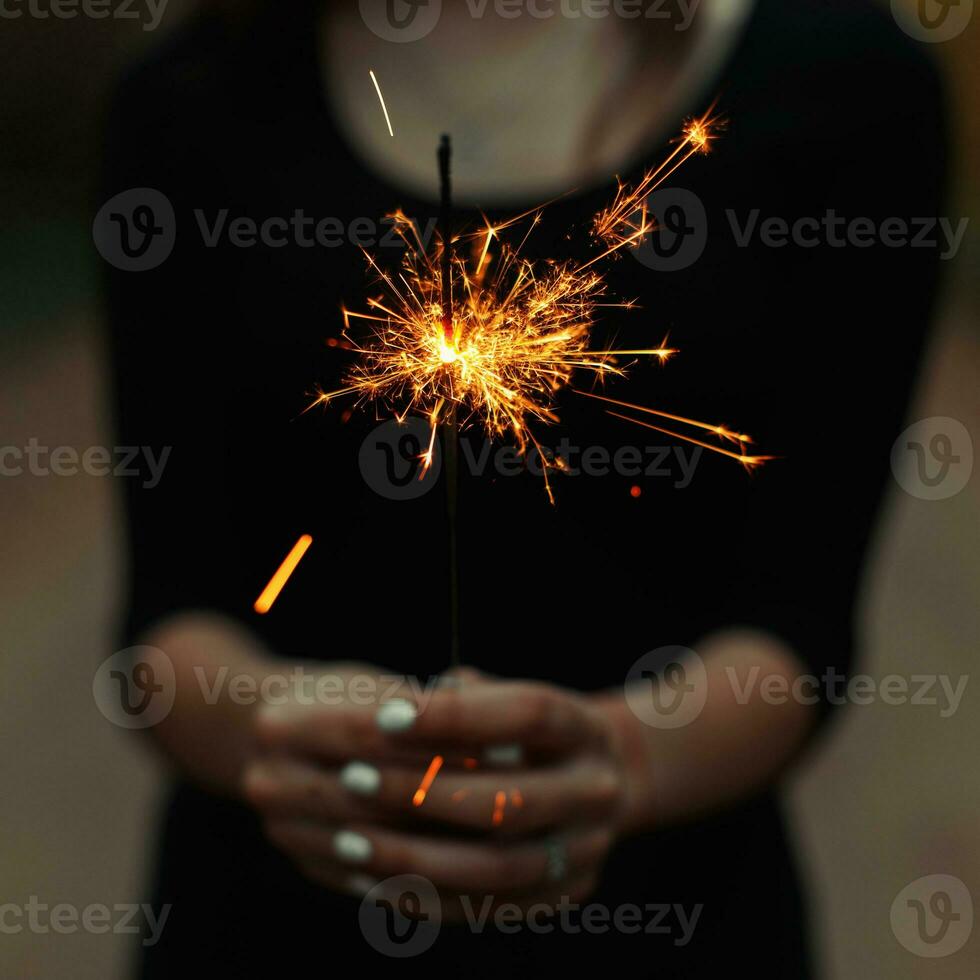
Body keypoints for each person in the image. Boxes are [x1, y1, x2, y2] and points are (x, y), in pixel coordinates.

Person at [103, 0, 947, 975]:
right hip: (261, 929)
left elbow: (800, 622)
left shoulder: (839, 83)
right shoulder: (187, 96)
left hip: (673, 925)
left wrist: (621, 761)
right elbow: (165, 615)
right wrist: (266, 726)